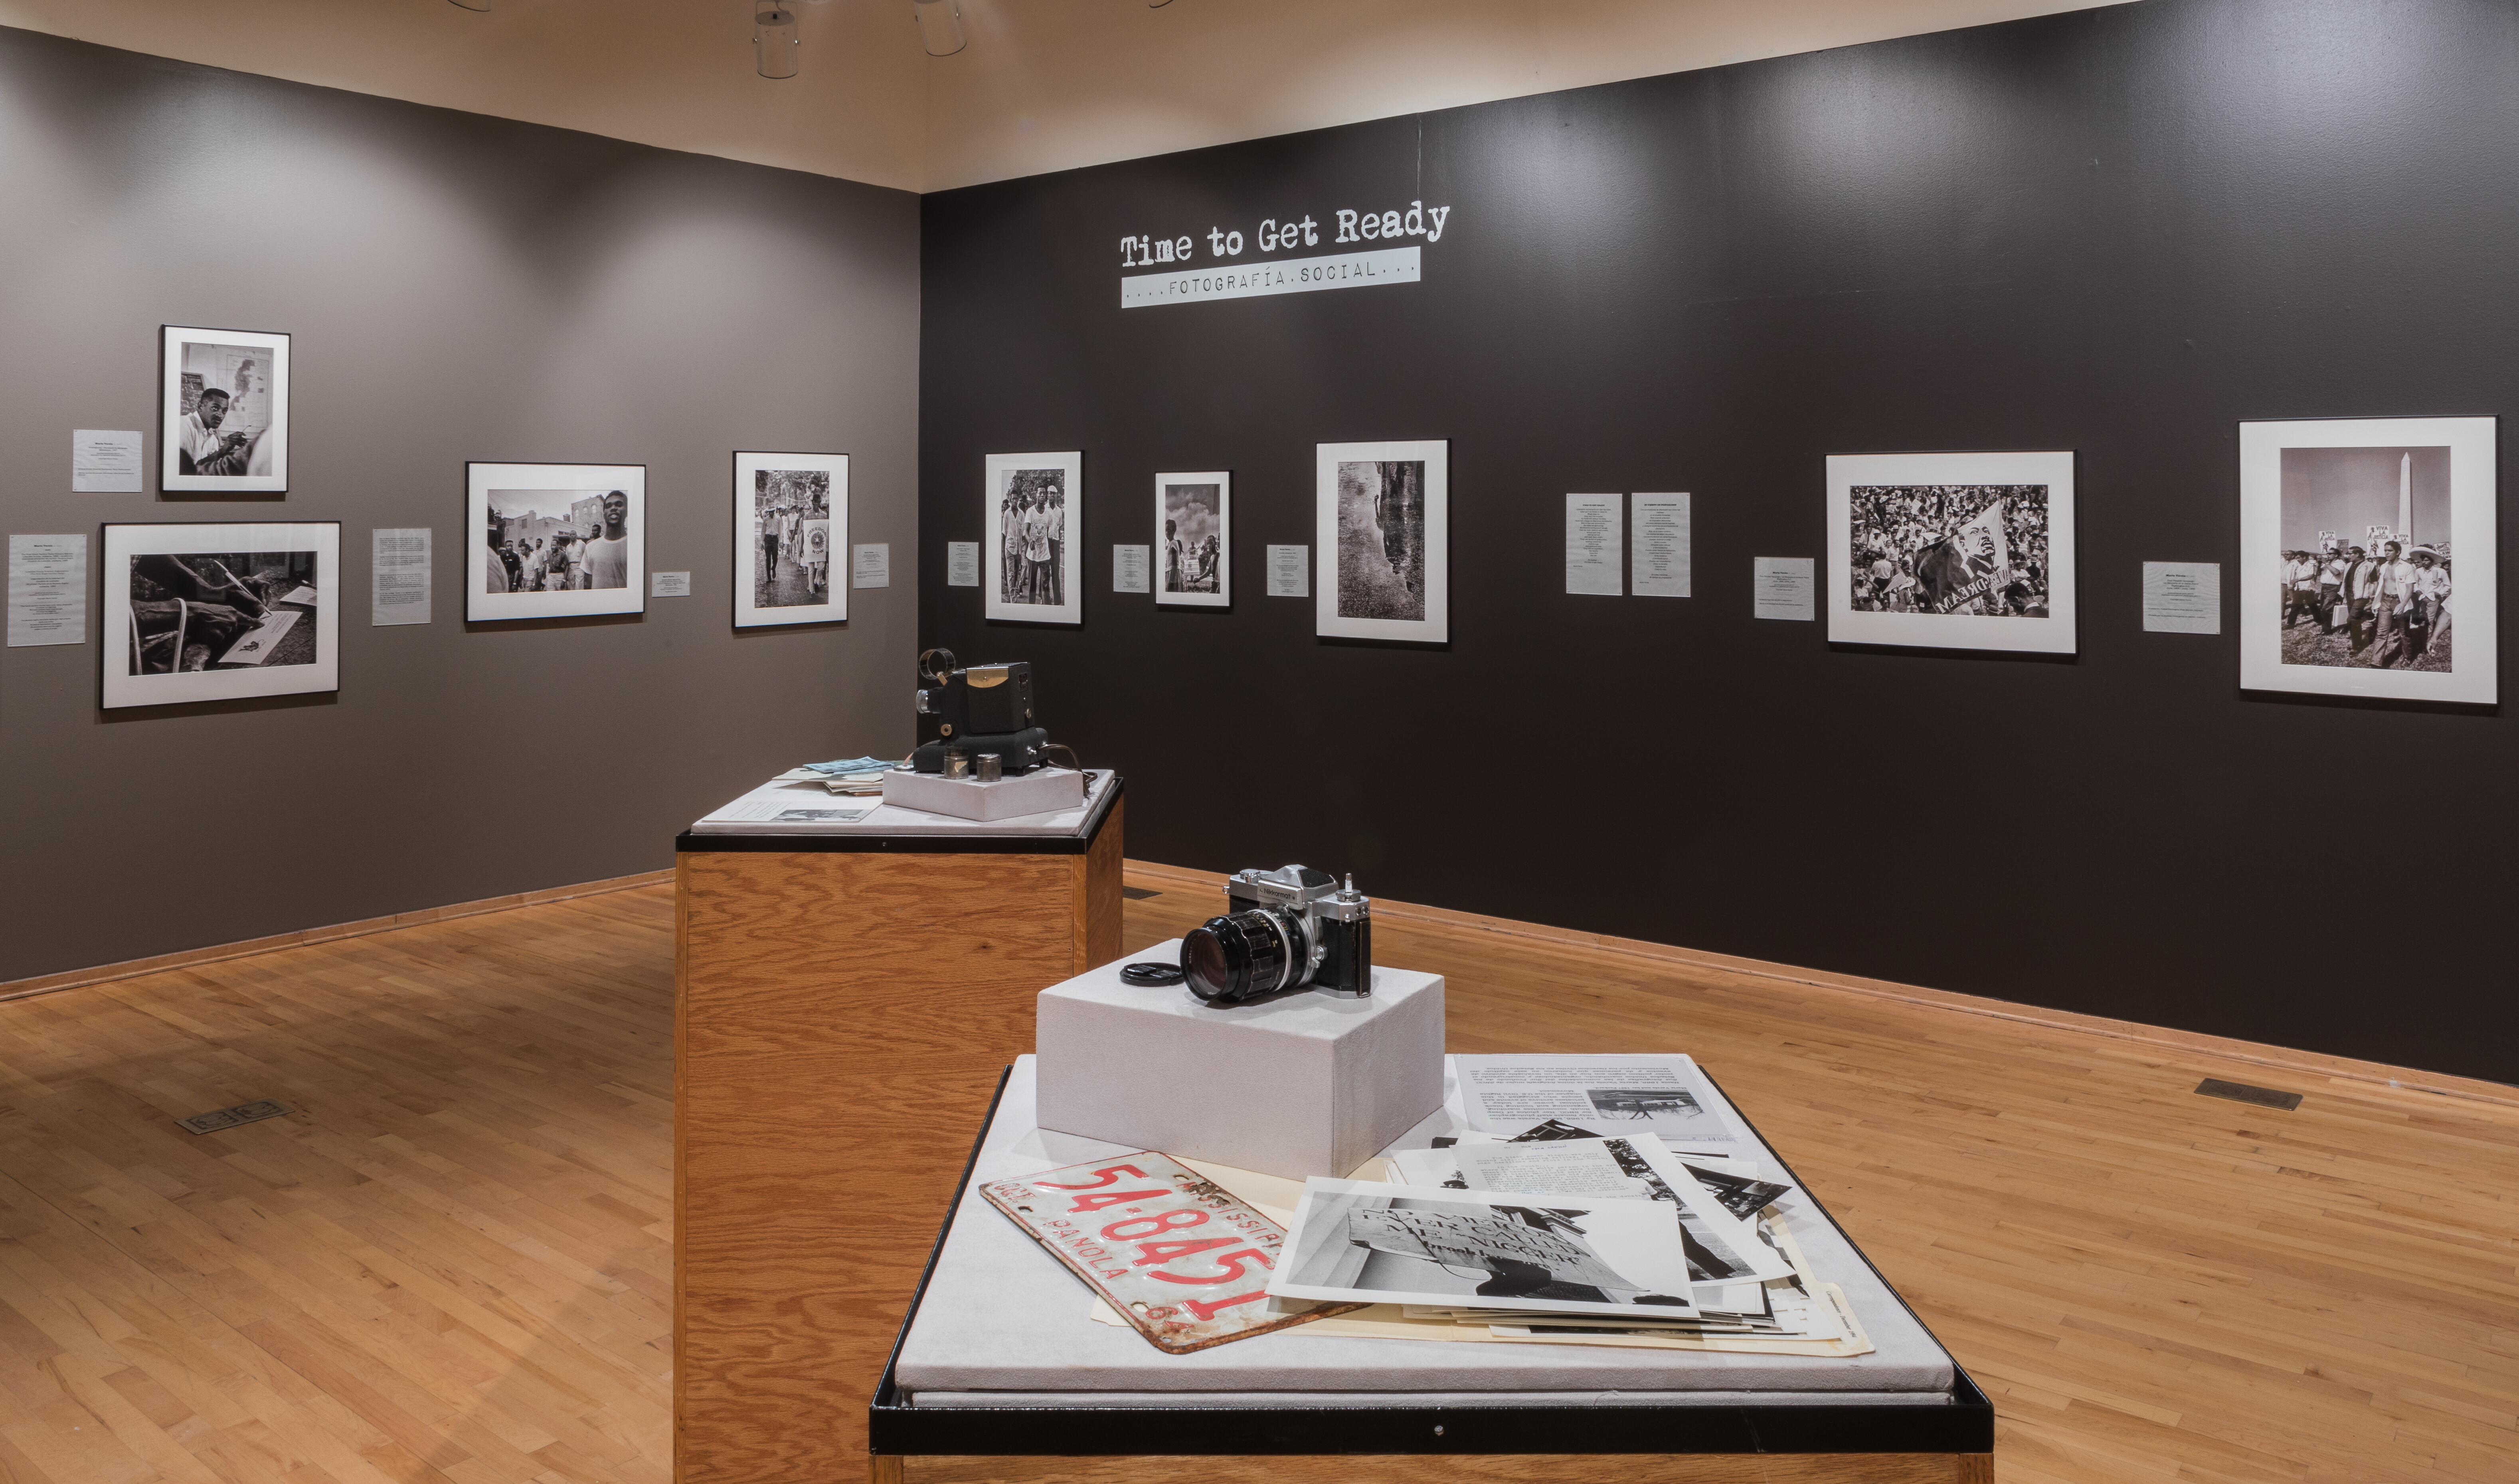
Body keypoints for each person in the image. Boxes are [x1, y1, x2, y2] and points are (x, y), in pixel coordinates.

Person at [178, 388, 255, 477]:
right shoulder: (183, 425)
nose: (220, 415)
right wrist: (223, 451)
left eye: (224, 411)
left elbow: (206, 471)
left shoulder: (213, 440)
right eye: (215, 408)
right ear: (200, 406)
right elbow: (186, 472)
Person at [2367, 541, 2417, 667]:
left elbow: (2410, 588)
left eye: (2390, 551)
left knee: (2404, 633)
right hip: (2385, 601)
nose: (2387, 553)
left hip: (2400, 601)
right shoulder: (2384, 566)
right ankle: (2376, 662)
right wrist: (2376, 602)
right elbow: (2382, 585)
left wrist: (2403, 604)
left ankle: (2408, 657)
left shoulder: (2407, 567)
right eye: (2385, 551)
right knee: (2382, 633)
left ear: (2398, 552)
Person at [582, 490, 631, 589]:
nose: (613, 508)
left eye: (619, 505)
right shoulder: (590, 547)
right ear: (604, 514)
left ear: (627, 511)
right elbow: (587, 584)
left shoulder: (636, 546)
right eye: (608, 506)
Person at [2409, 546, 2449, 662]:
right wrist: (2417, 590)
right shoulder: (2418, 571)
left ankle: (2427, 645)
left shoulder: (2441, 572)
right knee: (2422, 620)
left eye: (2427, 560)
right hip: (2422, 598)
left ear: (2432, 561)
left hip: (2433, 599)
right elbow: (2415, 583)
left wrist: (2439, 593)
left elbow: (2448, 586)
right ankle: (2423, 641)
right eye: (2423, 560)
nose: (2424, 563)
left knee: (2429, 621)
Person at [2343, 545, 2378, 652]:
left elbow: (2375, 581)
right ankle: (2356, 644)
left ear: (2357, 554)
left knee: (2352, 619)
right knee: (2355, 620)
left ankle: (2356, 645)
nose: (2348, 556)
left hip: (2362, 596)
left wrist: (2376, 597)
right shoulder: (2349, 565)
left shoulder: (2369, 566)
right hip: (2350, 595)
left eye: (2350, 553)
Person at [2318, 546, 2348, 634]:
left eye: (2331, 554)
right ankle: (2325, 628)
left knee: (2327, 609)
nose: (2328, 555)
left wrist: (2326, 564)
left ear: (2337, 555)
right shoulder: (2328, 563)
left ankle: (2326, 630)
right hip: (2324, 586)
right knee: (2323, 608)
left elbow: (2336, 573)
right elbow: (2318, 573)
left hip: (2333, 587)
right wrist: (2318, 565)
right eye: (2328, 553)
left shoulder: (2340, 563)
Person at [1164, 518, 1182, 593]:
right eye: (1166, 530)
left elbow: (1175, 563)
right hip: (1171, 572)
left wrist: (1172, 580)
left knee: (1172, 592)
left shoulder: (1173, 543)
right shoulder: (1171, 543)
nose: (1167, 533)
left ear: (1174, 531)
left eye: (1169, 530)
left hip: (1173, 572)